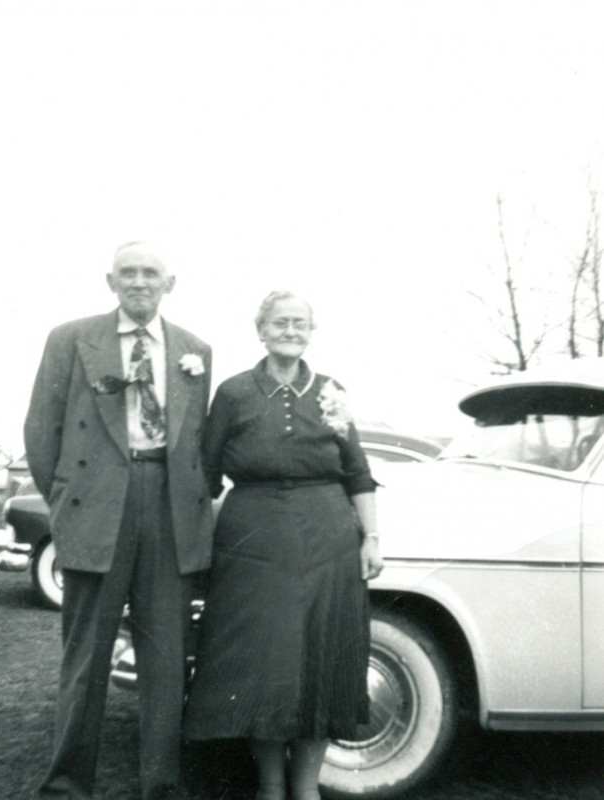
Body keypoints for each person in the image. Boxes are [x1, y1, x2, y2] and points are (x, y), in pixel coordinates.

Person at [24, 241, 213, 800]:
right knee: (86, 656)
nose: (138, 282)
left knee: (165, 656)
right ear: (110, 282)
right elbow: (41, 431)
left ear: (169, 283)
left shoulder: (194, 349)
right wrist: (66, 500)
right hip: (97, 504)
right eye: (127, 273)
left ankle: (161, 783)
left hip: (169, 510)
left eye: (149, 273)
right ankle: (66, 784)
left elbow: (196, 440)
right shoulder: (71, 339)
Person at [183, 291, 383, 800]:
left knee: (321, 661)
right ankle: (270, 787)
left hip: (329, 543)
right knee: (263, 665)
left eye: (299, 323)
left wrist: (371, 539)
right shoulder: (233, 394)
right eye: (280, 322)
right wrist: (199, 544)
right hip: (252, 544)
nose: (290, 330)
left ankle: (307, 788)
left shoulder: (331, 391)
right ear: (261, 330)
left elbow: (358, 474)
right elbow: (205, 477)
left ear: (310, 332)